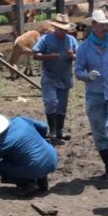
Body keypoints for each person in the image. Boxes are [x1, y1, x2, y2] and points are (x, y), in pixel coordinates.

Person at [75, 9, 108, 179]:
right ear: (94, 25)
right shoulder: (84, 48)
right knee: (98, 132)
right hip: (94, 94)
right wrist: (86, 76)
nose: (106, 28)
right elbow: (77, 70)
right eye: (103, 25)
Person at [0, 114, 58, 195]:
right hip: (52, 157)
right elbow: (43, 127)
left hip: (34, 167)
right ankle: (42, 180)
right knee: (31, 155)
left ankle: (28, 184)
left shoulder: (0, 144)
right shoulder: (19, 120)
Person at [33, 14, 78, 142]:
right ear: (55, 27)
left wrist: (72, 56)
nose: (63, 32)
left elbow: (79, 56)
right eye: (60, 29)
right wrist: (48, 56)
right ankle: (52, 130)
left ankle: (59, 131)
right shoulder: (46, 39)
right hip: (50, 76)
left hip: (65, 77)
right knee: (51, 102)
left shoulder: (71, 40)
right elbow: (35, 54)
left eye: (65, 29)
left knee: (62, 106)